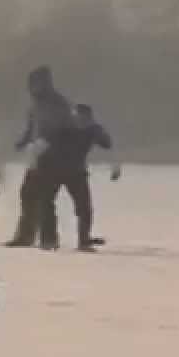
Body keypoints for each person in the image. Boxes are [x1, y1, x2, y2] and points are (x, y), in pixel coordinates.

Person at [5, 65, 74, 250]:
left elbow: (64, 129)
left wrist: (49, 143)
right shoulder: (34, 105)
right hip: (36, 156)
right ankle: (25, 236)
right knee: (27, 194)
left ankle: (49, 239)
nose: (32, 88)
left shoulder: (59, 104)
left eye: (35, 83)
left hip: (54, 156)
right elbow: (31, 128)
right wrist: (22, 142)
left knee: (45, 198)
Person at [37, 103, 120, 253]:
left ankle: (83, 240)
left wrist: (115, 167)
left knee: (84, 208)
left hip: (76, 173)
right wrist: (35, 166)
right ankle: (48, 239)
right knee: (46, 203)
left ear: (89, 118)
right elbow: (42, 144)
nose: (80, 122)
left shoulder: (93, 130)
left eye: (84, 119)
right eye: (77, 118)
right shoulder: (62, 127)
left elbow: (108, 144)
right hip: (53, 170)